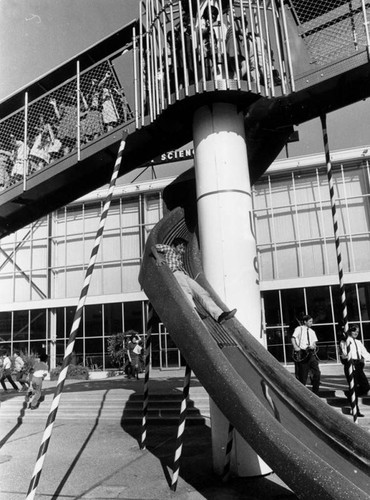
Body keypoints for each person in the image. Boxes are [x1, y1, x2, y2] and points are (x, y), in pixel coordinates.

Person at [151, 237, 237, 324]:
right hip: (175, 273)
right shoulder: (169, 249)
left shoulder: (179, 258)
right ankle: (194, 313)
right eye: (180, 248)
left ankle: (219, 315)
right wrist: (158, 258)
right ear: (174, 246)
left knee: (202, 292)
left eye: (183, 249)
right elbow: (153, 247)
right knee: (186, 291)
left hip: (184, 275)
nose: (182, 251)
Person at [340, 325, 370, 417]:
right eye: (354, 331)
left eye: (357, 331)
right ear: (349, 331)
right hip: (350, 365)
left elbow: (365, 353)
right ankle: (355, 409)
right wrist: (344, 331)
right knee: (353, 386)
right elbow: (344, 351)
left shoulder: (358, 342)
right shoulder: (345, 341)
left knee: (366, 386)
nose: (356, 333)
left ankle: (350, 394)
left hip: (358, 365)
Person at [291, 314, 321, 395]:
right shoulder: (299, 329)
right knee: (303, 376)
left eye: (312, 321)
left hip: (311, 354)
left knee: (317, 373)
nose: (312, 323)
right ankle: (302, 394)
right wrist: (295, 346)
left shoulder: (312, 332)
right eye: (310, 321)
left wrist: (313, 346)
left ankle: (315, 392)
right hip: (303, 353)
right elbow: (293, 338)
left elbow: (314, 342)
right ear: (305, 322)